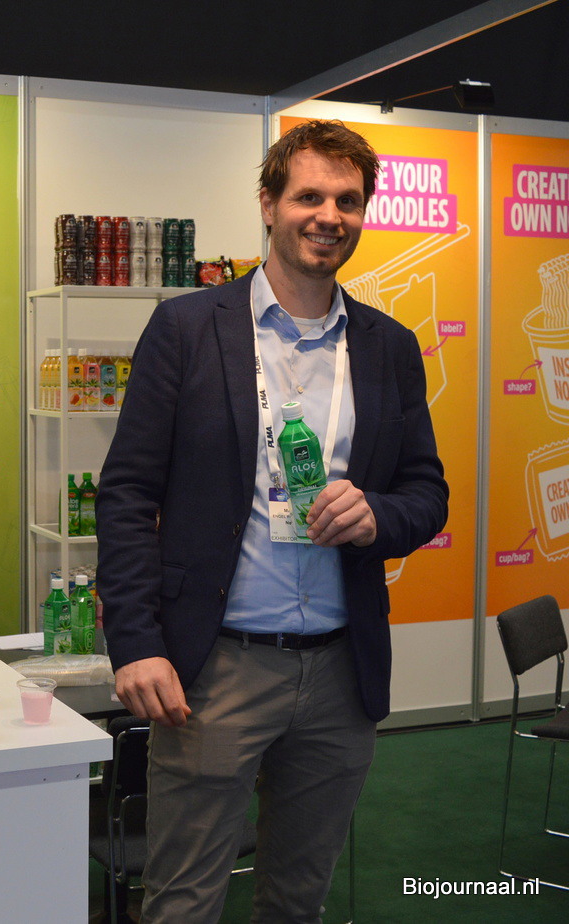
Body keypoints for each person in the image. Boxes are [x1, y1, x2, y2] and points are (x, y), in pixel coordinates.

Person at [96, 119, 448, 923]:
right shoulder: (187, 329)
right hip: (215, 670)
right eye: (309, 196)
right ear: (268, 203)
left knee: (298, 901)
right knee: (183, 902)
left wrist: (377, 514)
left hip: (341, 673)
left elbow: (427, 492)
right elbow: (127, 493)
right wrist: (138, 642)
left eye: (348, 201)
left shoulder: (389, 347)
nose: (329, 216)